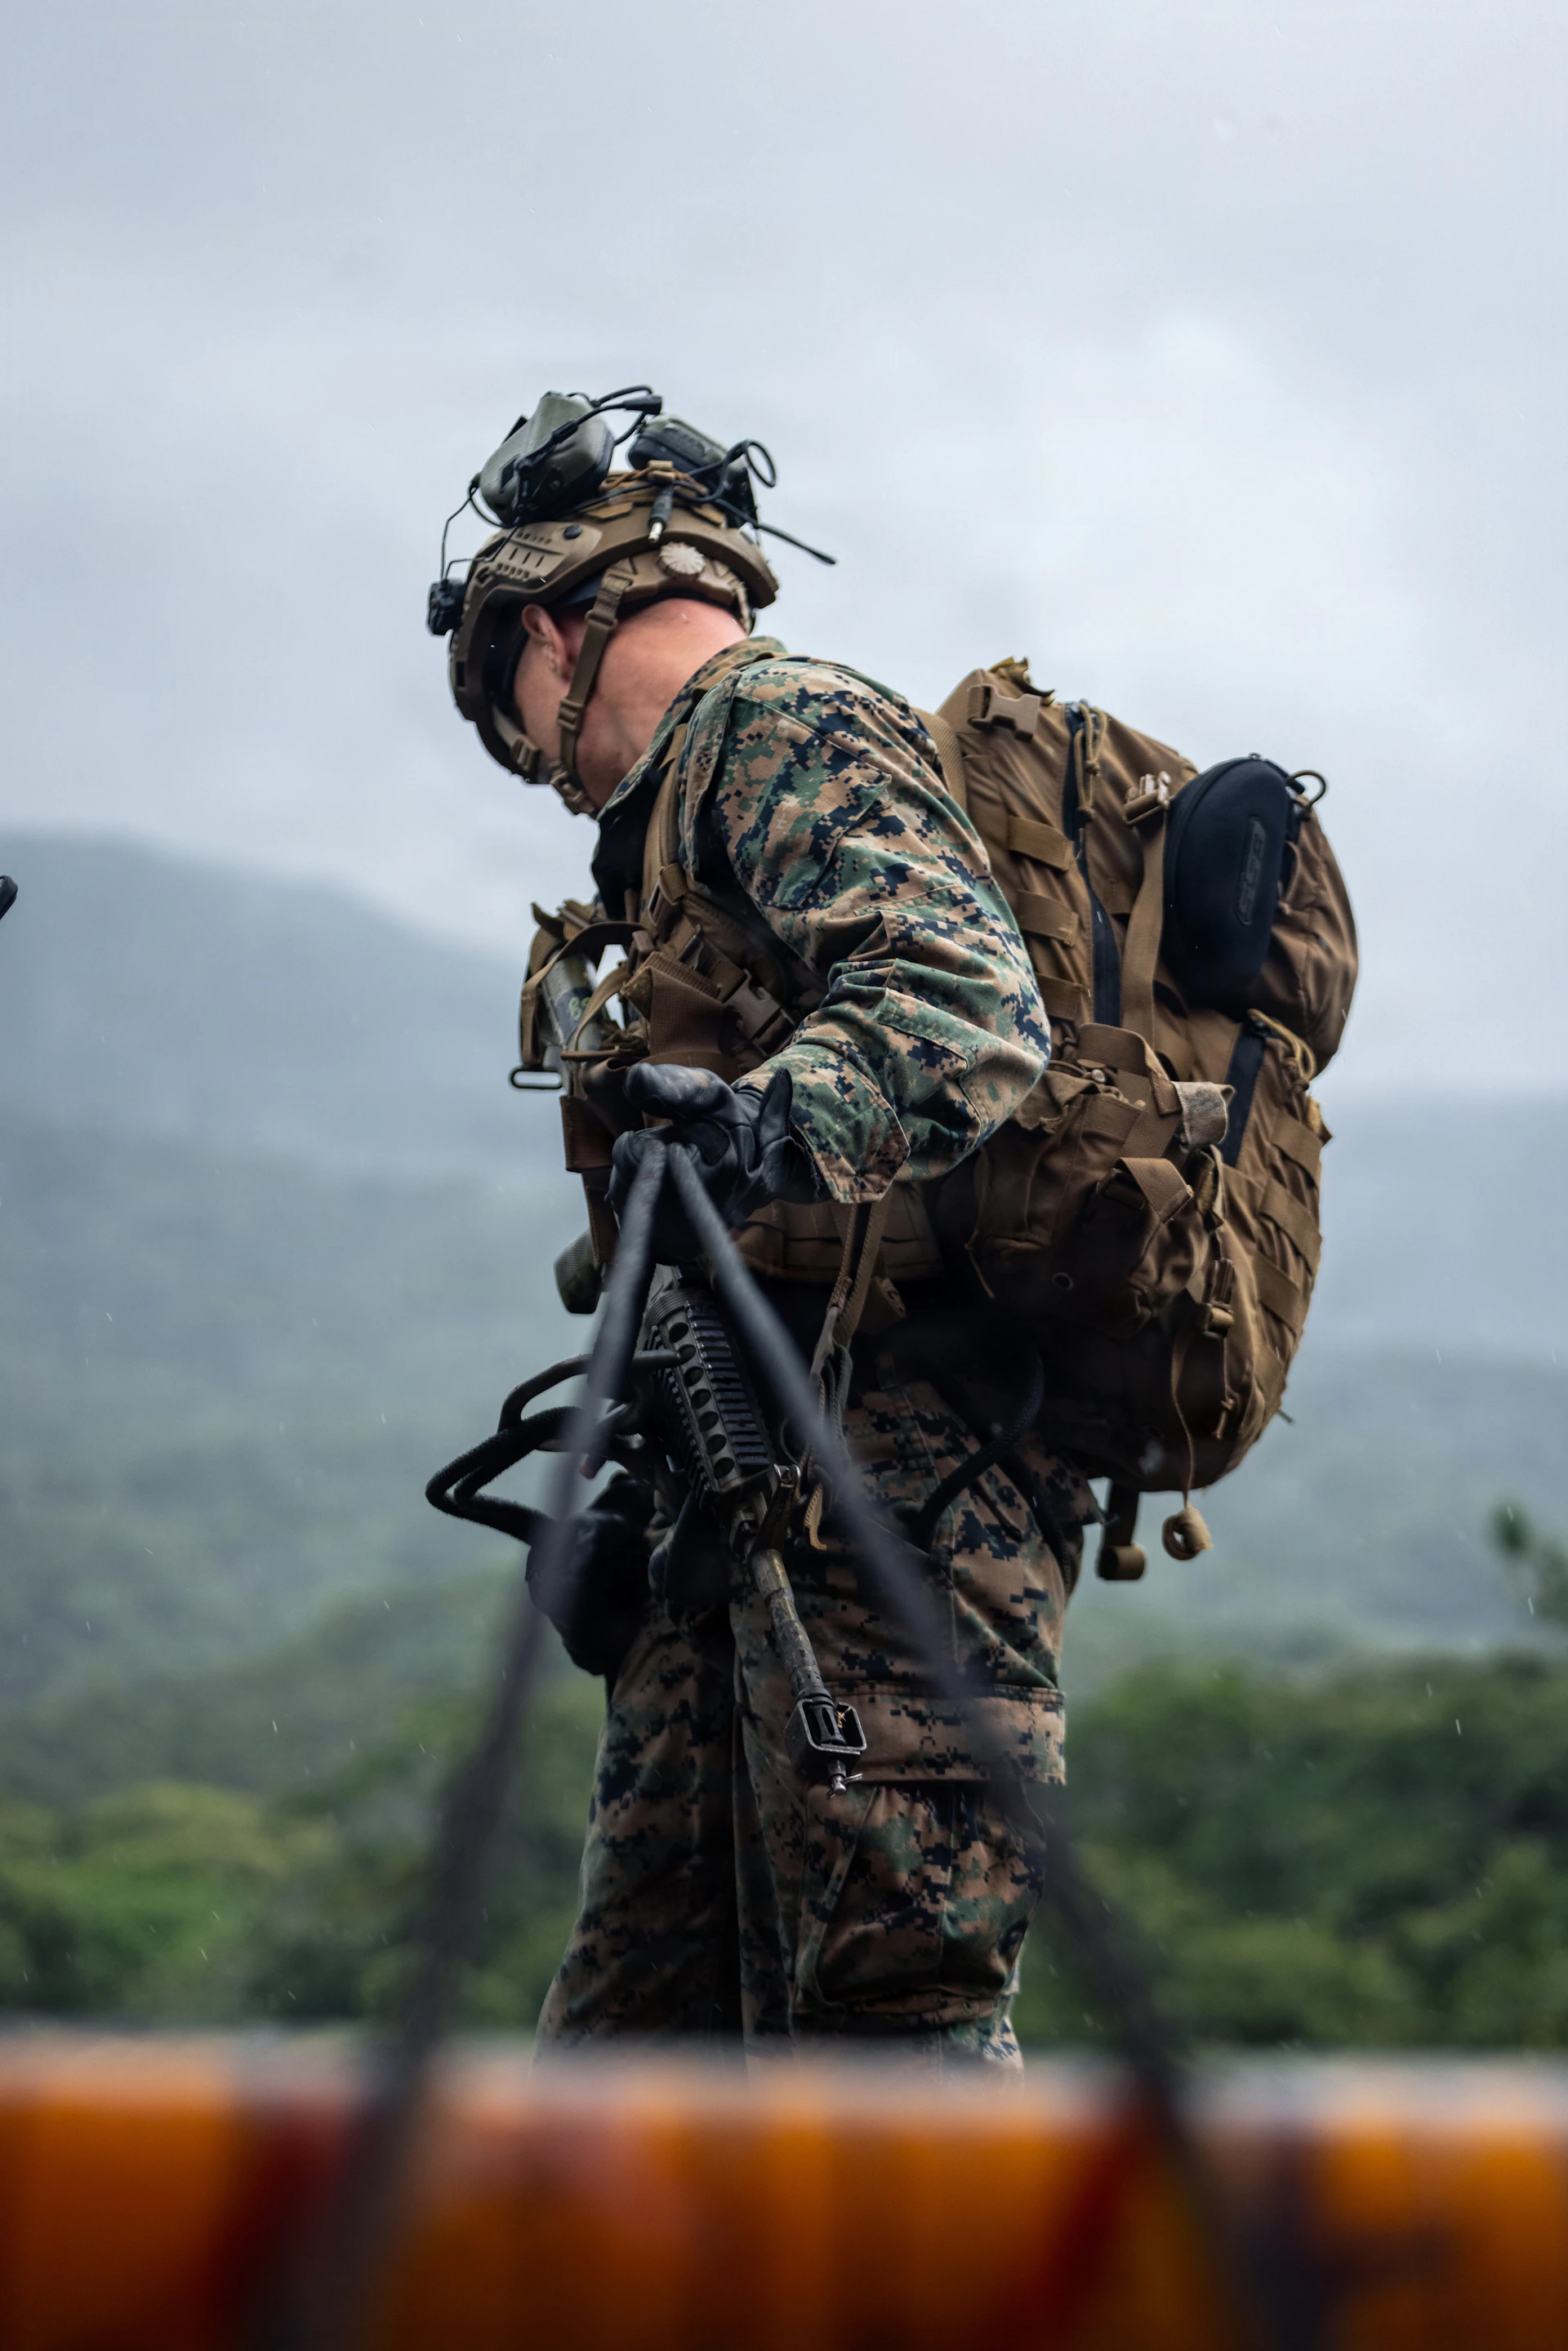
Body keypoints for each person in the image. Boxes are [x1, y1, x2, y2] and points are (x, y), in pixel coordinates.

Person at [438, 406, 1092, 2069]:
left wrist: (750, 1123)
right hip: (742, 1481)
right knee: (642, 2048)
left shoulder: (778, 721)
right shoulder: (673, 823)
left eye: (517, 728)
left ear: (543, 636)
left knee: (892, 2031)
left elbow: (967, 1007)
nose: (537, 765)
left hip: (898, 1489)